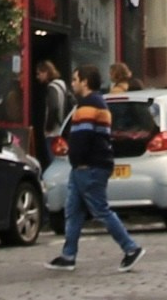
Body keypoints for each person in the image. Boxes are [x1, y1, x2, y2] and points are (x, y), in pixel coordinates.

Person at [49, 68, 141, 273]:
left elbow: (83, 137)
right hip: (85, 166)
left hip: (89, 166)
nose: (72, 83)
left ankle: (130, 247)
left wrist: (77, 159)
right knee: (73, 210)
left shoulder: (89, 106)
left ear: (85, 82)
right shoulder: (96, 103)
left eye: (75, 79)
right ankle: (68, 255)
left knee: (100, 209)